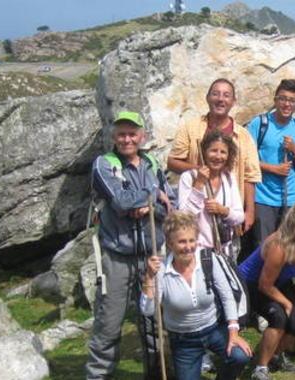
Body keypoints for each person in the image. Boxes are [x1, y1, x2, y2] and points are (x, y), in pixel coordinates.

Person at [85, 111, 176, 380]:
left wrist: (150, 208)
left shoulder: (152, 163)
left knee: (154, 320)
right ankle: (98, 375)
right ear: (114, 137)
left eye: (132, 133)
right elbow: (121, 202)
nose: (127, 139)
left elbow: (169, 206)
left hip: (150, 255)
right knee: (110, 323)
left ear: (142, 136)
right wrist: (151, 195)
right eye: (122, 134)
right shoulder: (104, 164)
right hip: (117, 256)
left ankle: (158, 373)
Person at [141, 211, 252, 380]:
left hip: (214, 330)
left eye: (192, 240)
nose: (188, 246)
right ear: (170, 244)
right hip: (183, 340)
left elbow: (227, 295)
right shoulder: (161, 270)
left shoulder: (208, 259)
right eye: (182, 241)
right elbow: (148, 310)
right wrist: (149, 277)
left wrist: (233, 332)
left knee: (240, 356)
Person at [237, 198, 295, 380]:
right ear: (293, 223)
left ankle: (275, 356)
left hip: (278, 281)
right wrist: (286, 302)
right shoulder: (280, 245)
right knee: (279, 317)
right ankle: (260, 369)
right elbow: (264, 284)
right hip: (250, 284)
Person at [167, 78, 261, 250]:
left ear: (233, 101)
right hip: (198, 214)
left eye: (226, 95)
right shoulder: (190, 128)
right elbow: (172, 161)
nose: (220, 99)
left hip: (229, 209)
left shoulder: (243, 136)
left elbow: (250, 175)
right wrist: (201, 173)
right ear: (207, 97)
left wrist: (249, 212)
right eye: (215, 94)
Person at [247, 79, 295, 244]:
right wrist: (273, 169)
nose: (287, 104)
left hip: (290, 197)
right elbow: (246, 159)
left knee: (288, 246)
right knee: (263, 247)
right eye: (283, 99)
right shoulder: (259, 124)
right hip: (263, 197)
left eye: (292, 101)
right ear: (275, 100)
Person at [178, 131, 244, 259]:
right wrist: (198, 185)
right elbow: (184, 218)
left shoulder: (229, 178)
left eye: (223, 152)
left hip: (225, 252)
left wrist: (223, 211)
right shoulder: (188, 178)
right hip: (197, 253)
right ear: (204, 152)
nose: (218, 156)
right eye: (213, 150)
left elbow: (239, 216)